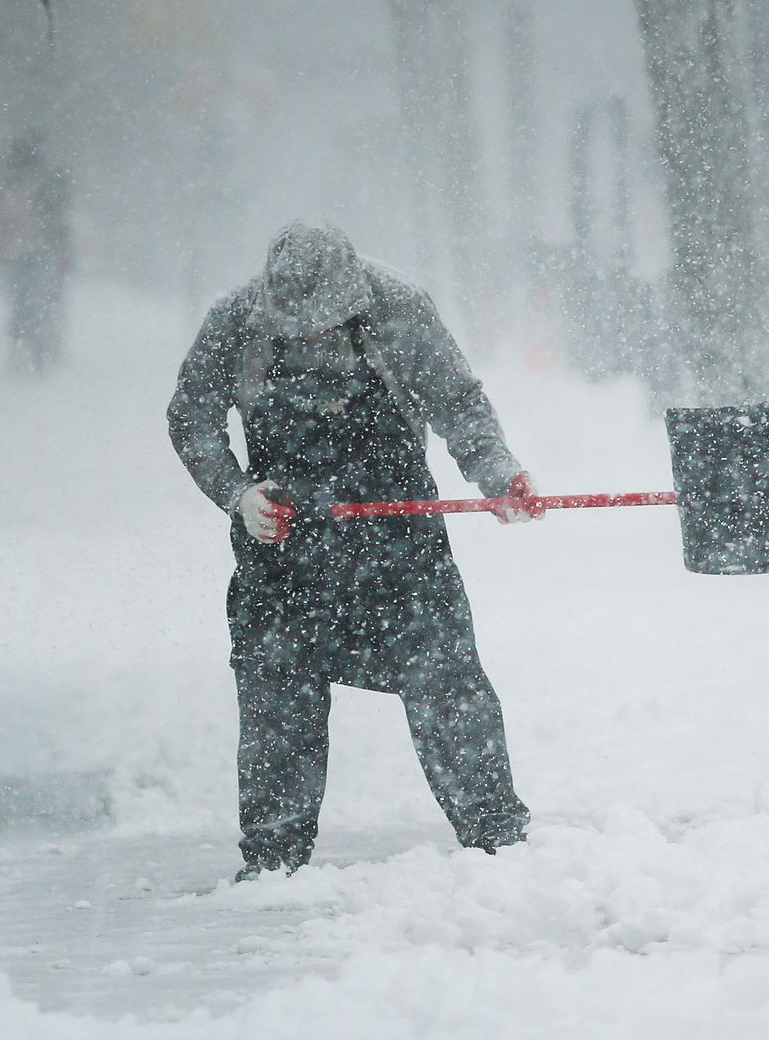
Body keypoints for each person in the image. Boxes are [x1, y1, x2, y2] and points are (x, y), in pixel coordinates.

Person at [168, 222, 539, 880]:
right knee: (276, 705)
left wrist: (498, 472)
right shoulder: (234, 321)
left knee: (448, 687)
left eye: (326, 328)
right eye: (297, 331)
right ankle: (274, 860)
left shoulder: (400, 309)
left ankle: (497, 842)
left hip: (399, 553)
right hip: (282, 556)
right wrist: (237, 494)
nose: (312, 342)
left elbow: (458, 400)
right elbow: (191, 416)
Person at [0, 132, 73, 374]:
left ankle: (27, 347)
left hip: (20, 250)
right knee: (34, 301)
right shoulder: (42, 182)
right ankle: (33, 347)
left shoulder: (12, 182)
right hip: (32, 250)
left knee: (25, 301)